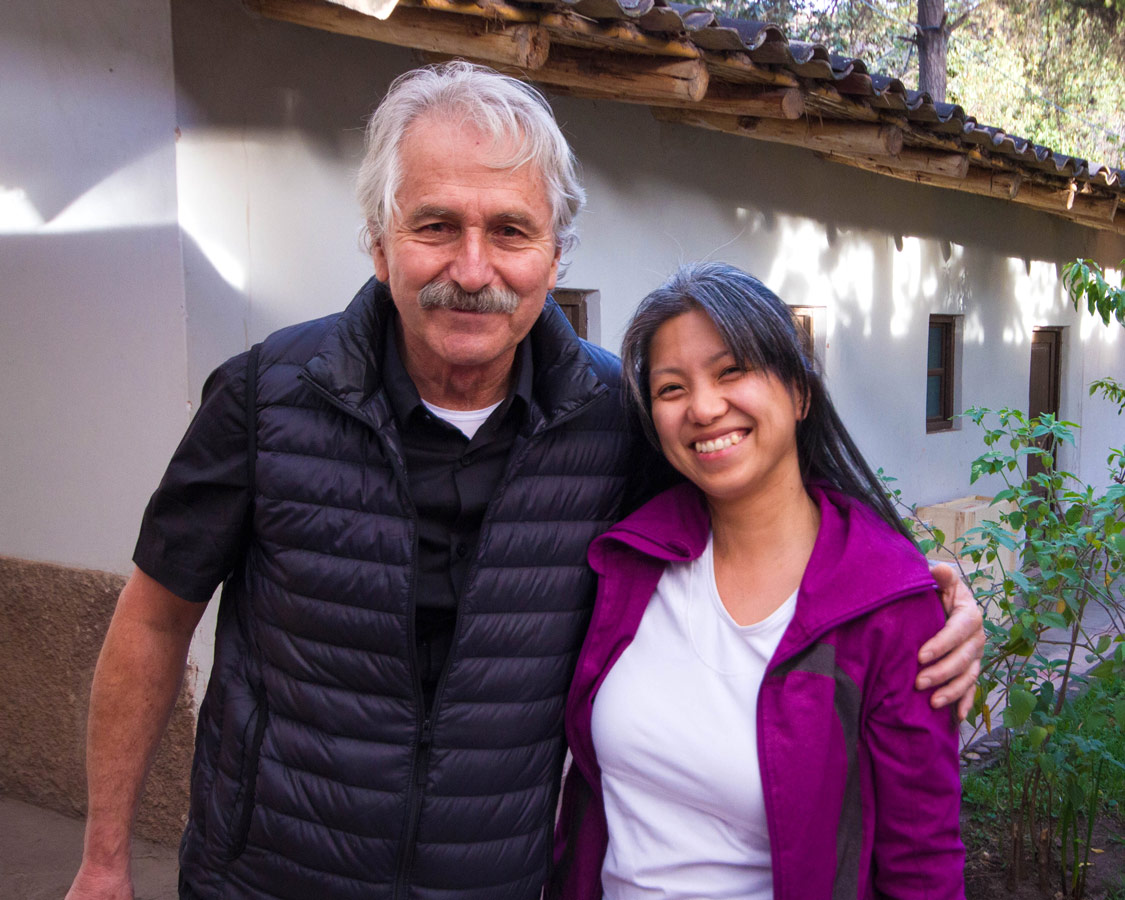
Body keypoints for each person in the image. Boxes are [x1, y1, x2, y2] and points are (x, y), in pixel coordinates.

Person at [66, 65, 979, 900]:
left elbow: (763, 501)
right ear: (380, 246)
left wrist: (920, 599)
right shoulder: (265, 398)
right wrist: (105, 860)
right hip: (266, 877)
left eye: (510, 231)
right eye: (435, 226)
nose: (473, 269)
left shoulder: (613, 423)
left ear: (554, 256)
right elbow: (152, 620)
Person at [551, 263, 965, 900]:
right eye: (671, 388)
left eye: (731, 371)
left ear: (800, 393)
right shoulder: (626, 561)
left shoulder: (885, 609)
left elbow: (922, 860)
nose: (705, 407)